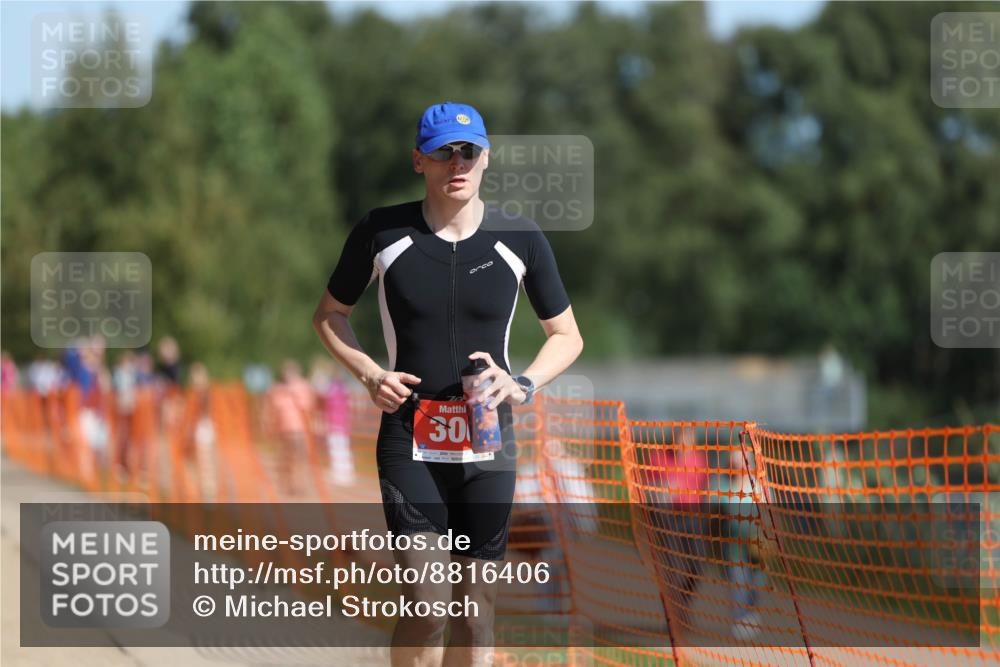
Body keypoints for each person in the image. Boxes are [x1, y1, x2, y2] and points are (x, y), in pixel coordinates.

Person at [312, 101, 583, 667]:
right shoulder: (381, 231)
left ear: (486, 157)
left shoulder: (521, 236)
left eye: (468, 151)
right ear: (419, 160)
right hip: (410, 436)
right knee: (427, 602)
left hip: (489, 441)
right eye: (441, 152)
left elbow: (566, 335)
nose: (455, 162)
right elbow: (329, 316)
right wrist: (370, 374)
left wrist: (522, 383)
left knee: (476, 608)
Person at [265, 359, 315, 497]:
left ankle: (299, 485)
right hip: (284, 431)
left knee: (300, 459)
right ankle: (288, 485)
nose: (288, 375)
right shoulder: (278, 391)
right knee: (286, 459)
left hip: (300, 431)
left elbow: (308, 406)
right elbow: (273, 408)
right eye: (286, 372)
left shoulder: (303, 387)